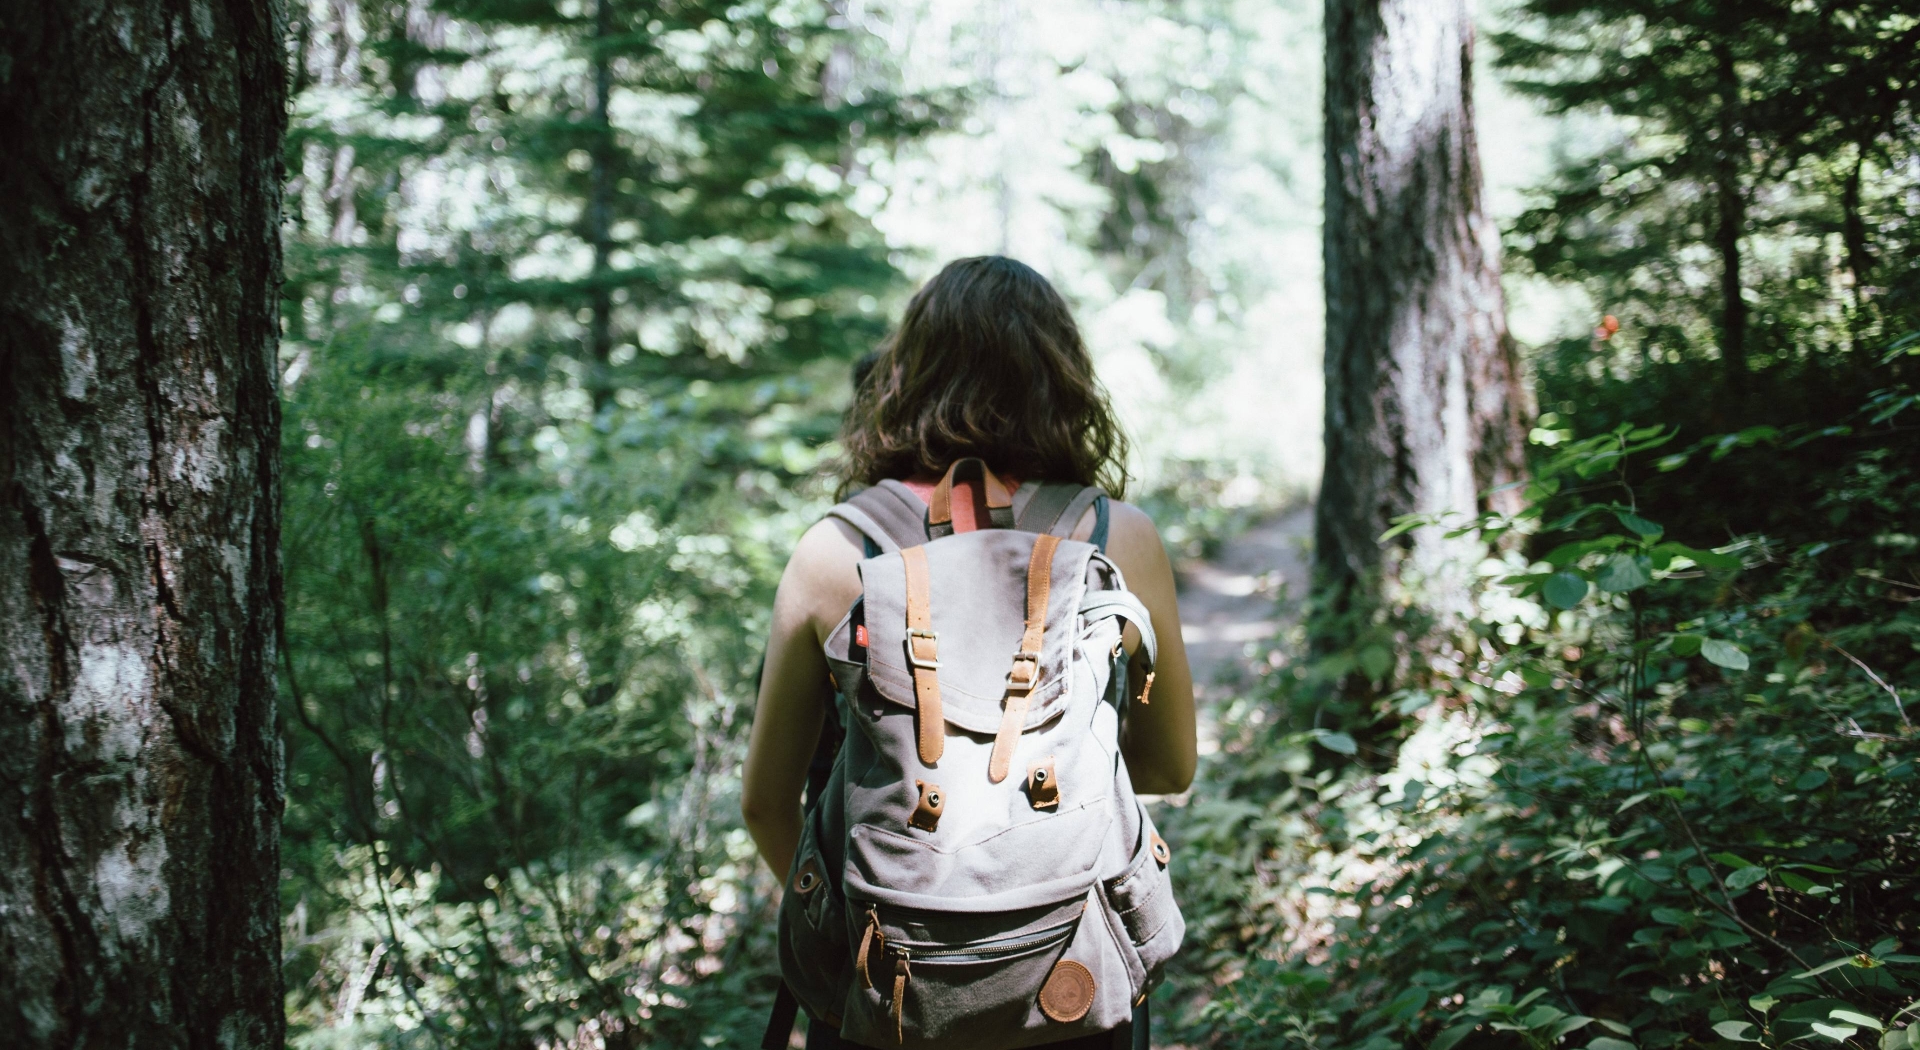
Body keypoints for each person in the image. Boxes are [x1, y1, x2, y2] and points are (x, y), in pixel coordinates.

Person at [742, 255, 1196, 1049]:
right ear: (1061, 378)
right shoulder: (1116, 537)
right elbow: (1167, 769)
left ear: (906, 376)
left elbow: (764, 801)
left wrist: (865, 924)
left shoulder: (834, 551)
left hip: (886, 990)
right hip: (1069, 982)